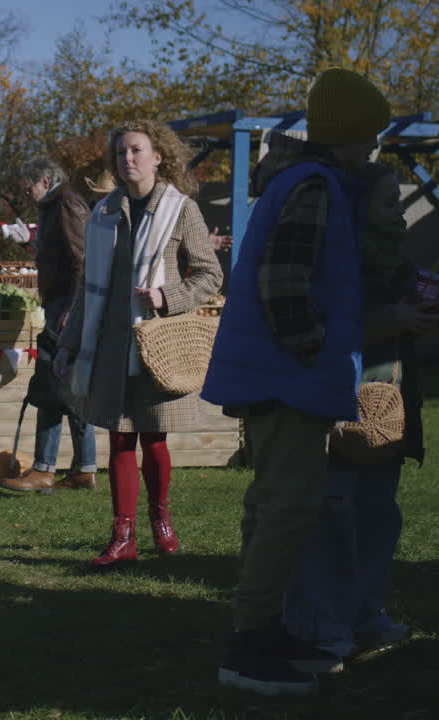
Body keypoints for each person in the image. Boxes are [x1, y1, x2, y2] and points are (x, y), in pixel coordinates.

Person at [201, 67, 395, 695]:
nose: (375, 145)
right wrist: (311, 348)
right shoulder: (315, 186)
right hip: (289, 374)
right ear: (348, 131)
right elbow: (284, 281)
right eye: (369, 133)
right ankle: (249, 645)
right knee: (290, 507)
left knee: (272, 504)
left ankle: (263, 629)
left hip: (276, 372)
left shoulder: (301, 180)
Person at [283, 160, 432, 668]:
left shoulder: (398, 264)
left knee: (378, 514)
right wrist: (391, 319)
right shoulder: (336, 262)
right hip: (341, 406)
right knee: (334, 515)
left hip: (389, 406)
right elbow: (325, 329)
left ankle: (366, 612)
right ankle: (323, 625)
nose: (401, 213)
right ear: (360, 209)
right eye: (390, 203)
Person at [56, 120, 223, 569]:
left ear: (158, 157)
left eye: (136, 150)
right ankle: (122, 536)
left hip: (156, 343)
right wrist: (68, 345)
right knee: (119, 438)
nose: (126, 159)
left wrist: (169, 297)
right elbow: (86, 288)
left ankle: (161, 519)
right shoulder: (103, 212)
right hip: (109, 342)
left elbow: (211, 275)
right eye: (120, 152)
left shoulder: (181, 209)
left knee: (154, 437)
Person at [0, 158, 97, 493]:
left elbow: (82, 257)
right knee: (71, 386)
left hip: (65, 305)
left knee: (51, 384)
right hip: (64, 303)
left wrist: (73, 307)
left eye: (28, 188)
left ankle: (44, 467)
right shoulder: (57, 204)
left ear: (43, 180)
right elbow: (60, 253)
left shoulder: (65, 202)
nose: (26, 195)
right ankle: (84, 469)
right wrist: (29, 243)